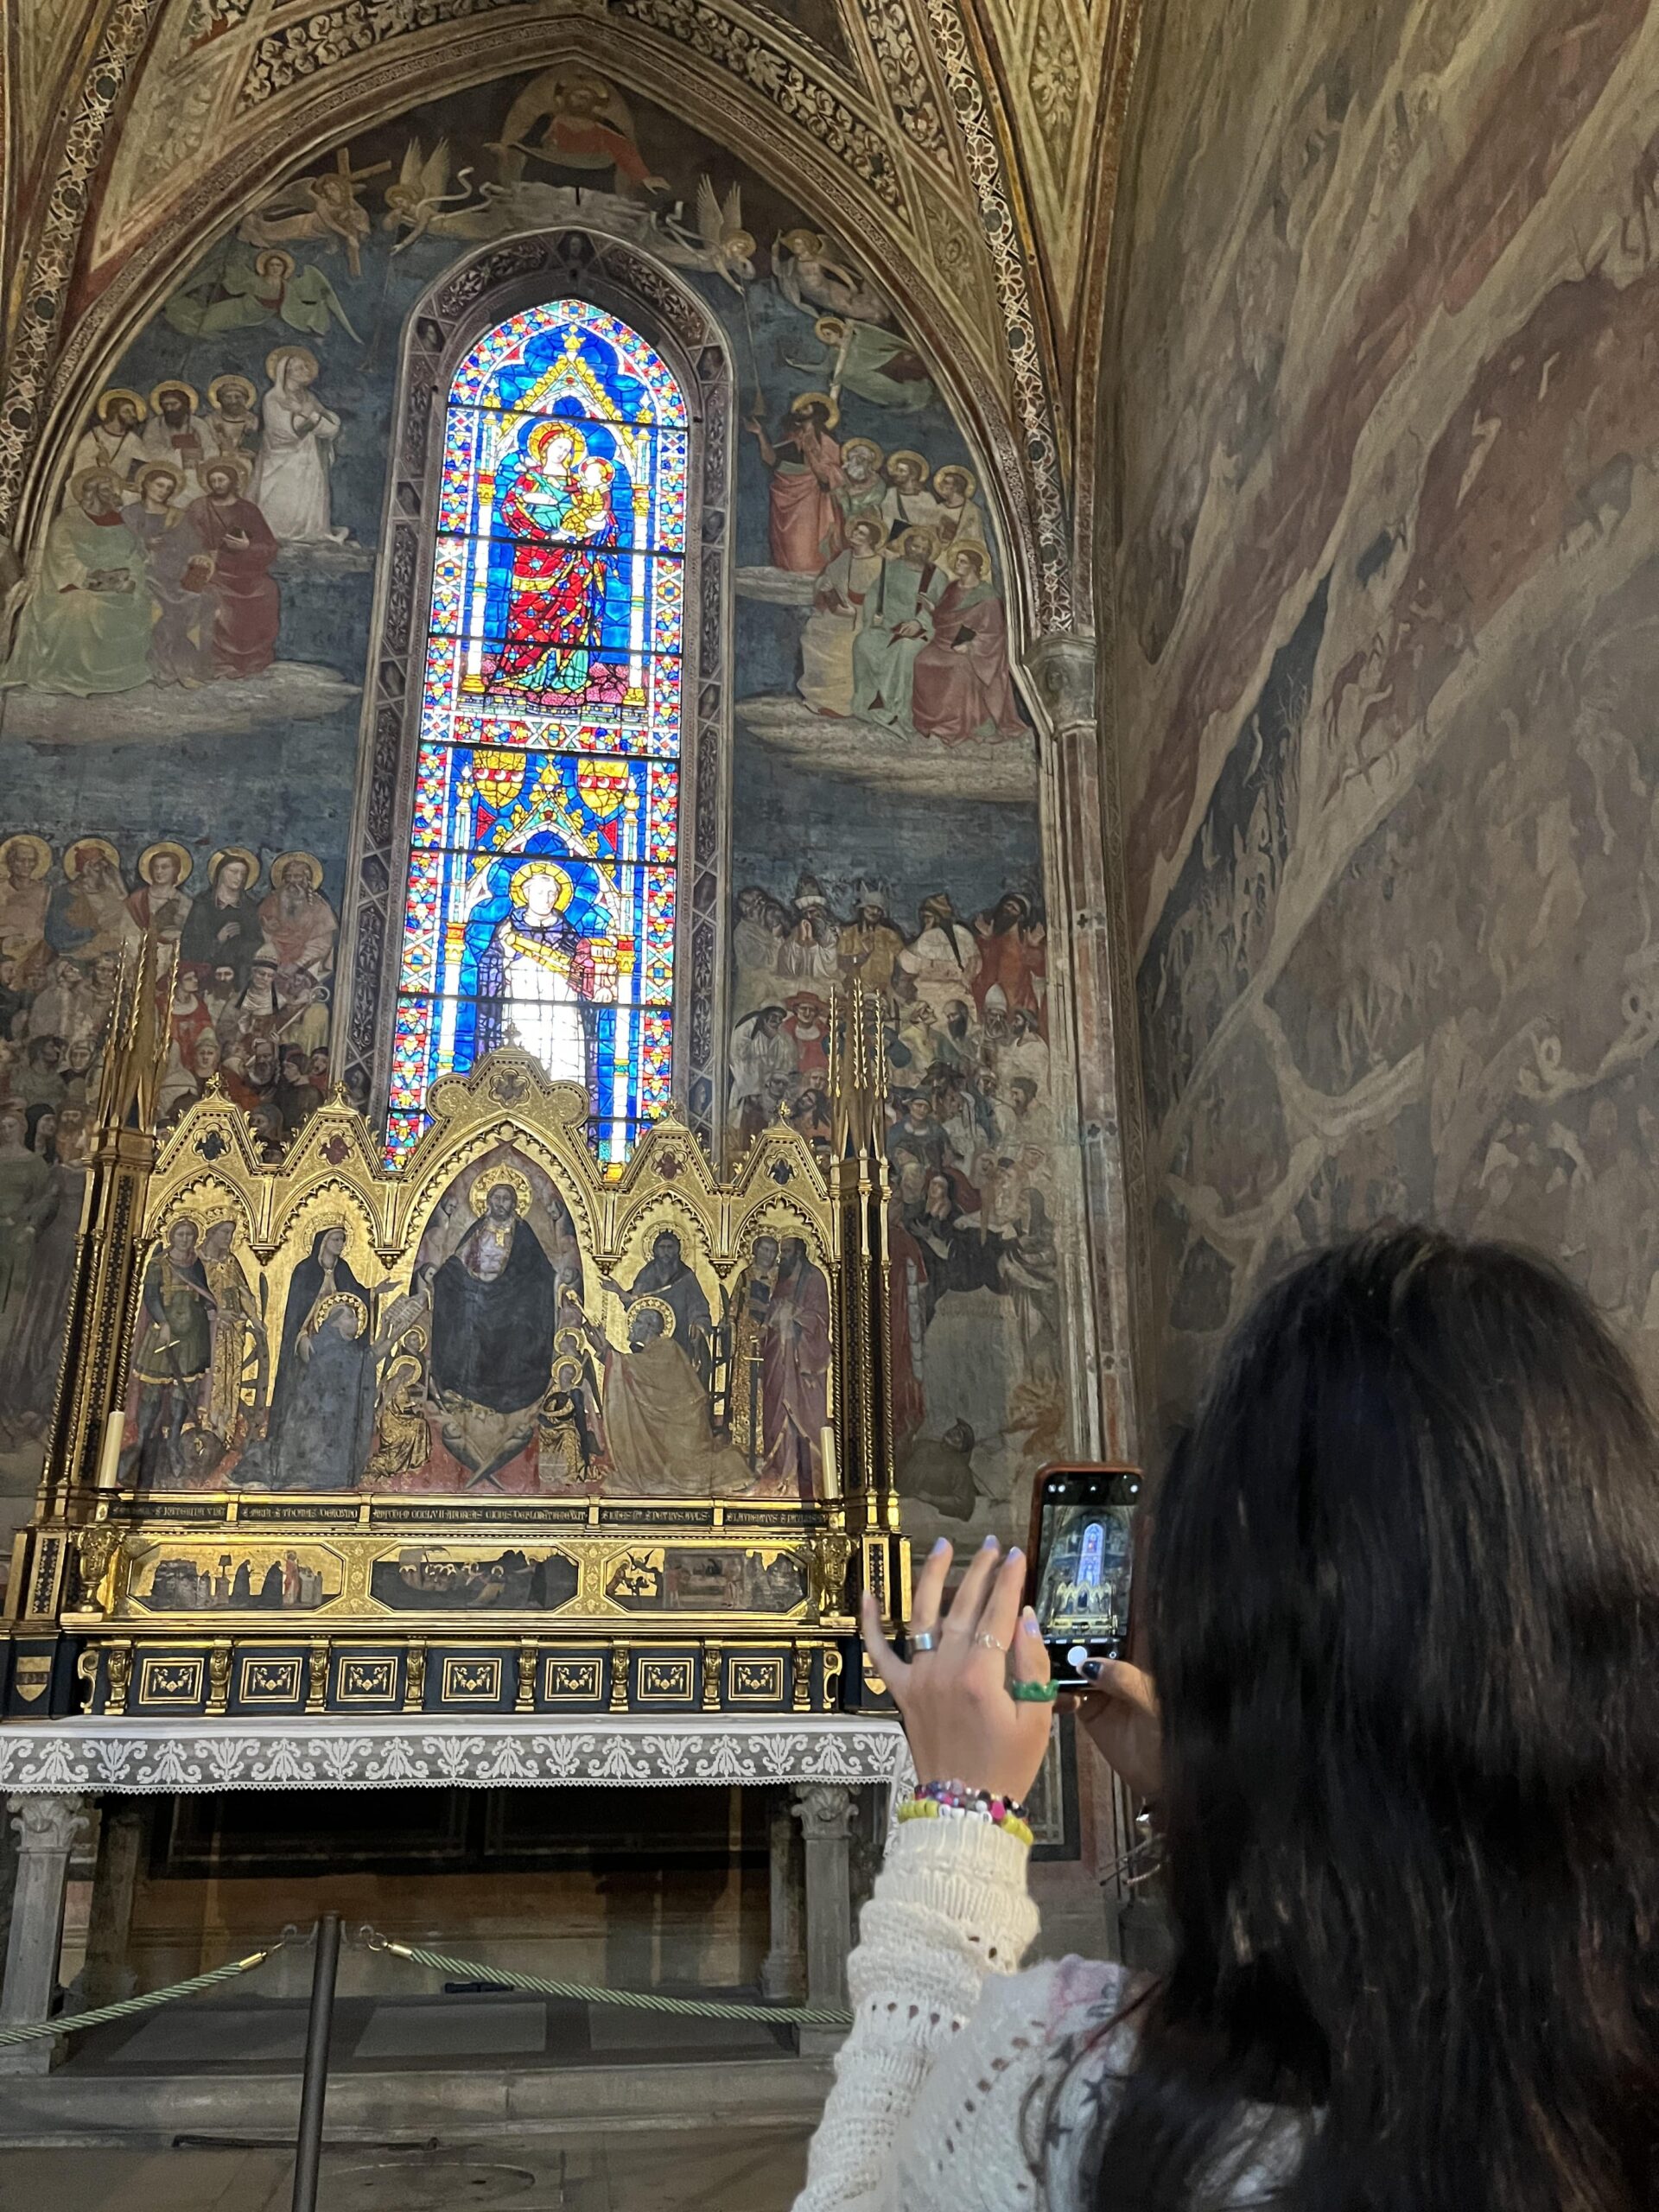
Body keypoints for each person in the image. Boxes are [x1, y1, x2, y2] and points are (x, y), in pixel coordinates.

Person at [796, 1228, 1659, 2211]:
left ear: (1233, 1631)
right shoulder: (1597, 2059)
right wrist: (1220, 1792)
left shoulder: (1065, 2094)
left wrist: (958, 1820)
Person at [0, 471, 152, 696]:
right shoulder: (69, 519)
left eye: (112, 490)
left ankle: (114, 670)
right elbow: (62, 557)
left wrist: (130, 579)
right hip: (73, 586)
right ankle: (74, 674)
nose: (111, 495)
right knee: (82, 606)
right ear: (90, 493)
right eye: (105, 490)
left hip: (116, 585)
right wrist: (90, 575)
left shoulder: (118, 520)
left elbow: (133, 555)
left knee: (139, 603)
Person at [186, 456, 281, 677]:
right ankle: (220, 661)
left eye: (222, 479)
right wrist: (204, 555)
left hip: (246, 573)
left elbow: (269, 547)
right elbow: (184, 540)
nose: (217, 484)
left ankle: (252, 659)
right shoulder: (198, 508)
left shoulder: (248, 510)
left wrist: (248, 546)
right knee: (214, 598)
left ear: (233, 481)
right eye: (214, 480)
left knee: (268, 591)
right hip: (210, 572)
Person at [251, 346, 345, 543]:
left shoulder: (308, 397)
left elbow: (330, 425)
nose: (306, 372)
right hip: (282, 460)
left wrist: (310, 415)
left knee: (308, 499)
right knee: (283, 498)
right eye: (300, 368)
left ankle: (308, 532)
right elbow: (283, 434)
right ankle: (277, 533)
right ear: (286, 373)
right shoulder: (273, 398)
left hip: (309, 460)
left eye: (306, 367)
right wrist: (309, 417)